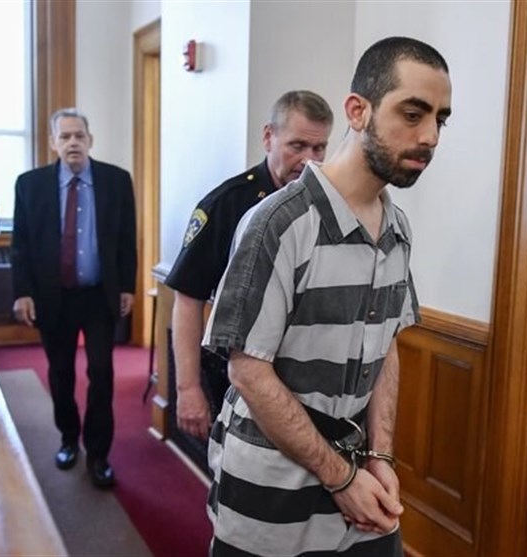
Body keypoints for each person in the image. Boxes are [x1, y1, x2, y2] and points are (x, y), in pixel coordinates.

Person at [202, 36, 452, 556]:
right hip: (271, 490)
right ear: (358, 111)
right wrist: (341, 478)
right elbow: (247, 371)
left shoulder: (397, 228)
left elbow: (385, 346)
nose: (429, 136)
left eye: (440, 120)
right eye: (412, 114)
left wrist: (380, 456)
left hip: (358, 476)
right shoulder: (278, 221)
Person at [166, 90, 333, 441]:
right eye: (297, 146)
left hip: (304, 381)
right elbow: (188, 299)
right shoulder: (227, 204)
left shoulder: (326, 206)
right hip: (235, 376)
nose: (309, 160)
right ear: (268, 137)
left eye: (319, 148)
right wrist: (187, 388)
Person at [10, 108, 137, 489]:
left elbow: (126, 240)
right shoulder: (30, 185)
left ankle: (98, 453)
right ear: (53, 143)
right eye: (64, 136)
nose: (73, 143)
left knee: (102, 372)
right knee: (61, 372)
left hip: (99, 296)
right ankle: (68, 438)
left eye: (79, 135)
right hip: (54, 297)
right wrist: (23, 292)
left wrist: (127, 287)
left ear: (90, 140)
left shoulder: (116, 181)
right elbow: (20, 245)